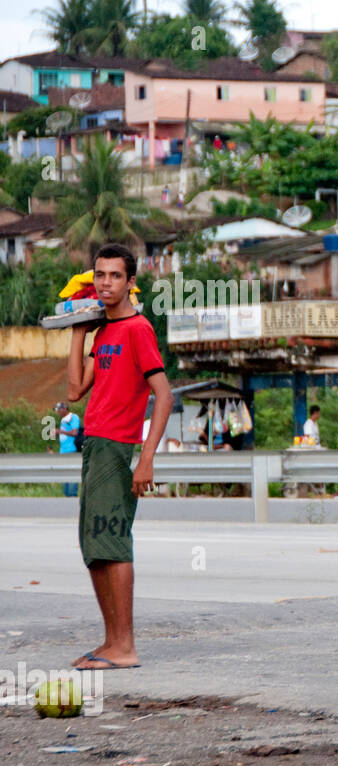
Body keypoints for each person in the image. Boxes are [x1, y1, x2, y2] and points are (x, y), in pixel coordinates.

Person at [65, 243, 173, 671]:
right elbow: (75, 391)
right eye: (99, 275)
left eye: (114, 276)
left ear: (131, 282)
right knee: (93, 546)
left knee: (113, 541)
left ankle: (124, 646)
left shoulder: (137, 329)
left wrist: (146, 459)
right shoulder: (105, 332)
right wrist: (78, 331)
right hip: (93, 442)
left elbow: (162, 396)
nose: (105, 283)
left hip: (117, 445)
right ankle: (110, 642)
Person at [54, 401, 80, 497]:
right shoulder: (63, 420)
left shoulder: (73, 418)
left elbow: (74, 433)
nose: (58, 412)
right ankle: (67, 495)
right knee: (65, 475)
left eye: (59, 410)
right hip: (63, 451)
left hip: (71, 450)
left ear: (65, 409)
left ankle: (72, 495)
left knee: (72, 474)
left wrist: (60, 431)